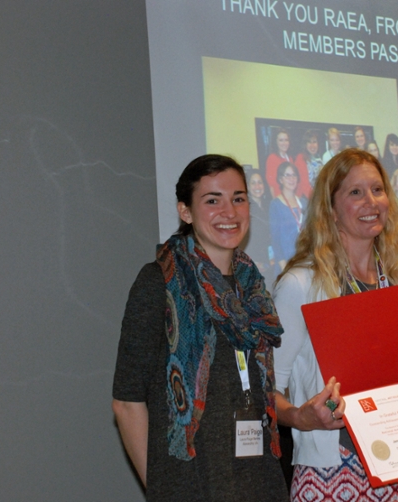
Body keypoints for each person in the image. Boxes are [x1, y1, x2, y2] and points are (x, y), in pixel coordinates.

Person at [273, 149, 398, 501]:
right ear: (330, 209)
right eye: (355, 192)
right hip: (334, 476)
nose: (371, 202)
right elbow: (264, 393)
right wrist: (302, 417)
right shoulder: (300, 286)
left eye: (378, 190)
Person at [112, 154, 288, 501]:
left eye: (238, 198)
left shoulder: (252, 289)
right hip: (194, 486)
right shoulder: (159, 282)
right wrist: (166, 490)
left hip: (260, 482)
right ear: (185, 212)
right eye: (213, 200)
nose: (230, 212)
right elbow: (127, 403)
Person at [269, 162, 308, 273]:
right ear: (281, 179)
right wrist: (284, 266)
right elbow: (275, 239)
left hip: (304, 260)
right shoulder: (275, 205)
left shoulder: (303, 203)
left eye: (294, 175)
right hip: (286, 263)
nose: (291, 179)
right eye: (287, 175)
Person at [243, 167, 275, 287]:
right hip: (255, 263)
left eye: (260, 182)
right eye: (253, 183)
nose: (257, 186)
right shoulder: (245, 209)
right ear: (248, 187)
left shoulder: (269, 205)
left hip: (270, 261)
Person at [266, 128, 300, 198]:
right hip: (280, 198)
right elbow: (272, 184)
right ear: (276, 142)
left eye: (286, 140)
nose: (284, 143)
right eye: (281, 140)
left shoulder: (290, 158)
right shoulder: (272, 158)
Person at [294, 130, 323, 195]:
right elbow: (304, 185)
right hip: (305, 198)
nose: (312, 145)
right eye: (309, 142)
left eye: (314, 142)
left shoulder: (319, 159)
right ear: (305, 144)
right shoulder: (301, 158)